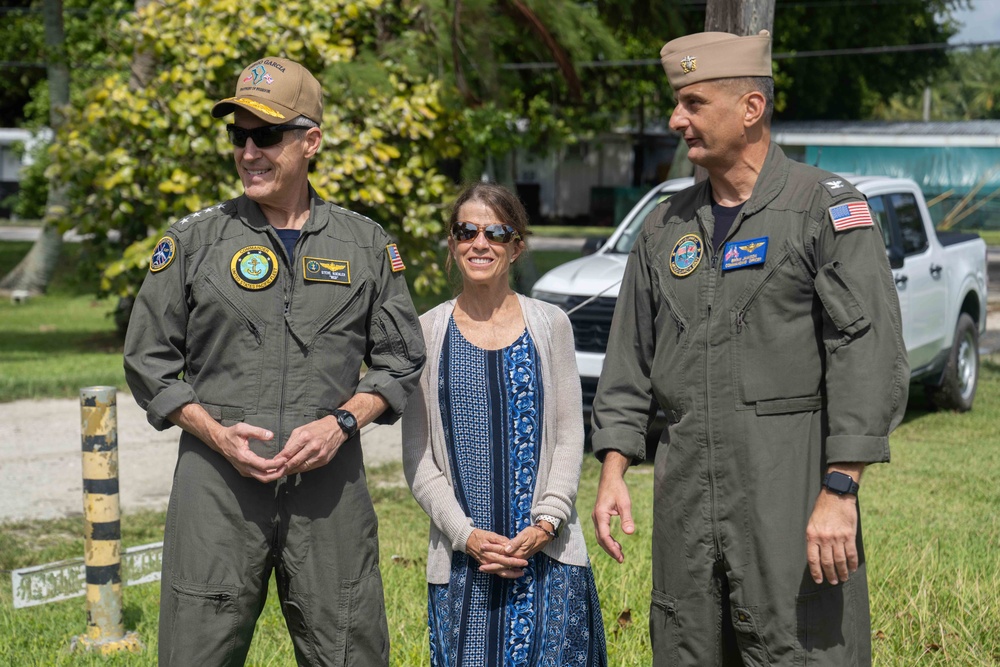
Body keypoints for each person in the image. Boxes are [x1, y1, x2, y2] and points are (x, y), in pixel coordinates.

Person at [591, 31, 908, 666]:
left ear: (751, 108)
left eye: (693, 103)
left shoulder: (824, 209)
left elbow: (865, 351)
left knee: (800, 643)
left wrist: (840, 490)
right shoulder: (664, 226)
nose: (677, 119)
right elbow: (630, 359)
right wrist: (614, 469)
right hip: (686, 492)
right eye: (677, 103)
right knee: (688, 644)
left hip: (786, 485)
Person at [123, 56, 426, 666]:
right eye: (238, 136)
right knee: (196, 652)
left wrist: (342, 423)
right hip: (217, 489)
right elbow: (149, 360)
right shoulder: (193, 243)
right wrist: (215, 433)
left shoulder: (365, 245)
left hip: (328, 489)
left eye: (266, 135)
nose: (249, 152)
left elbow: (400, 360)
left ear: (310, 140)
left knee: (349, 651)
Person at [403, 183, 607, 666]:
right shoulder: (426, 332)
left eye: (496, 232)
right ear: (452, 243)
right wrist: (465, 534)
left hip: (546, 555)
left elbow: (569, 434)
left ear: (516, 246)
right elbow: (418, 456)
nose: (480, 243)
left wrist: (547, 522)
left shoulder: (551, 323)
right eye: (466, 231)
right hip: (463, 562)